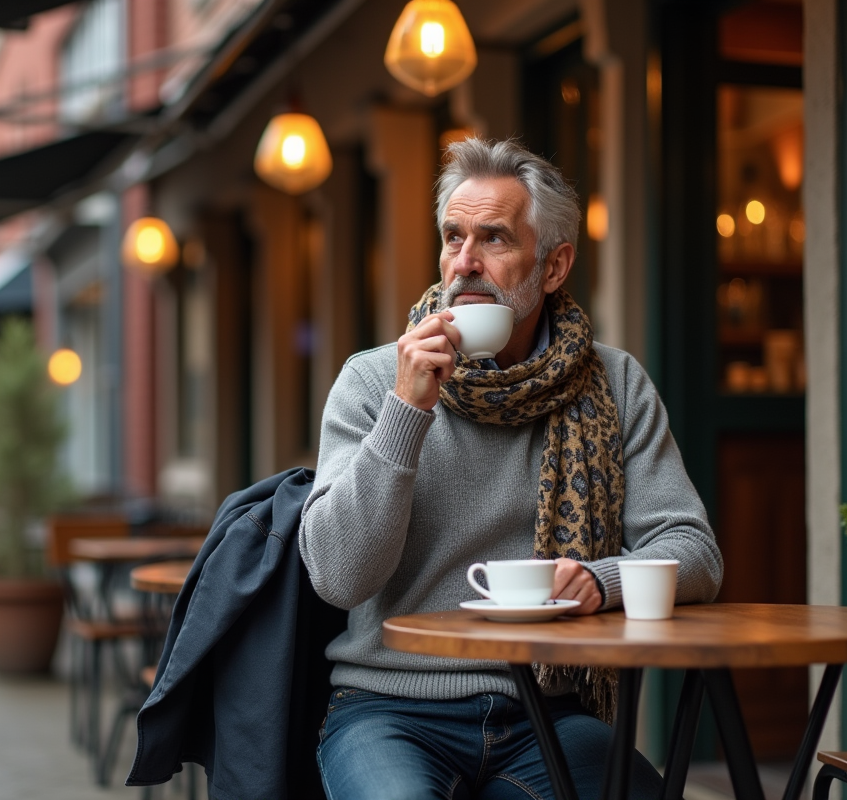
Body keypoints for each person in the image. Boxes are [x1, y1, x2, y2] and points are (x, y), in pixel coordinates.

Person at [298, 138, 724, 800]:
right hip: (390, 709)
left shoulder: (614, 384)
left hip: (547, 714)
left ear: (553, 267)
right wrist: (407, 411)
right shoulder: (375, 380)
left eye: (493, 239)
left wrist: (597, 579)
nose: (464, 263)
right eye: (452, 238)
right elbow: (337, 574)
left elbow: (695, 552)